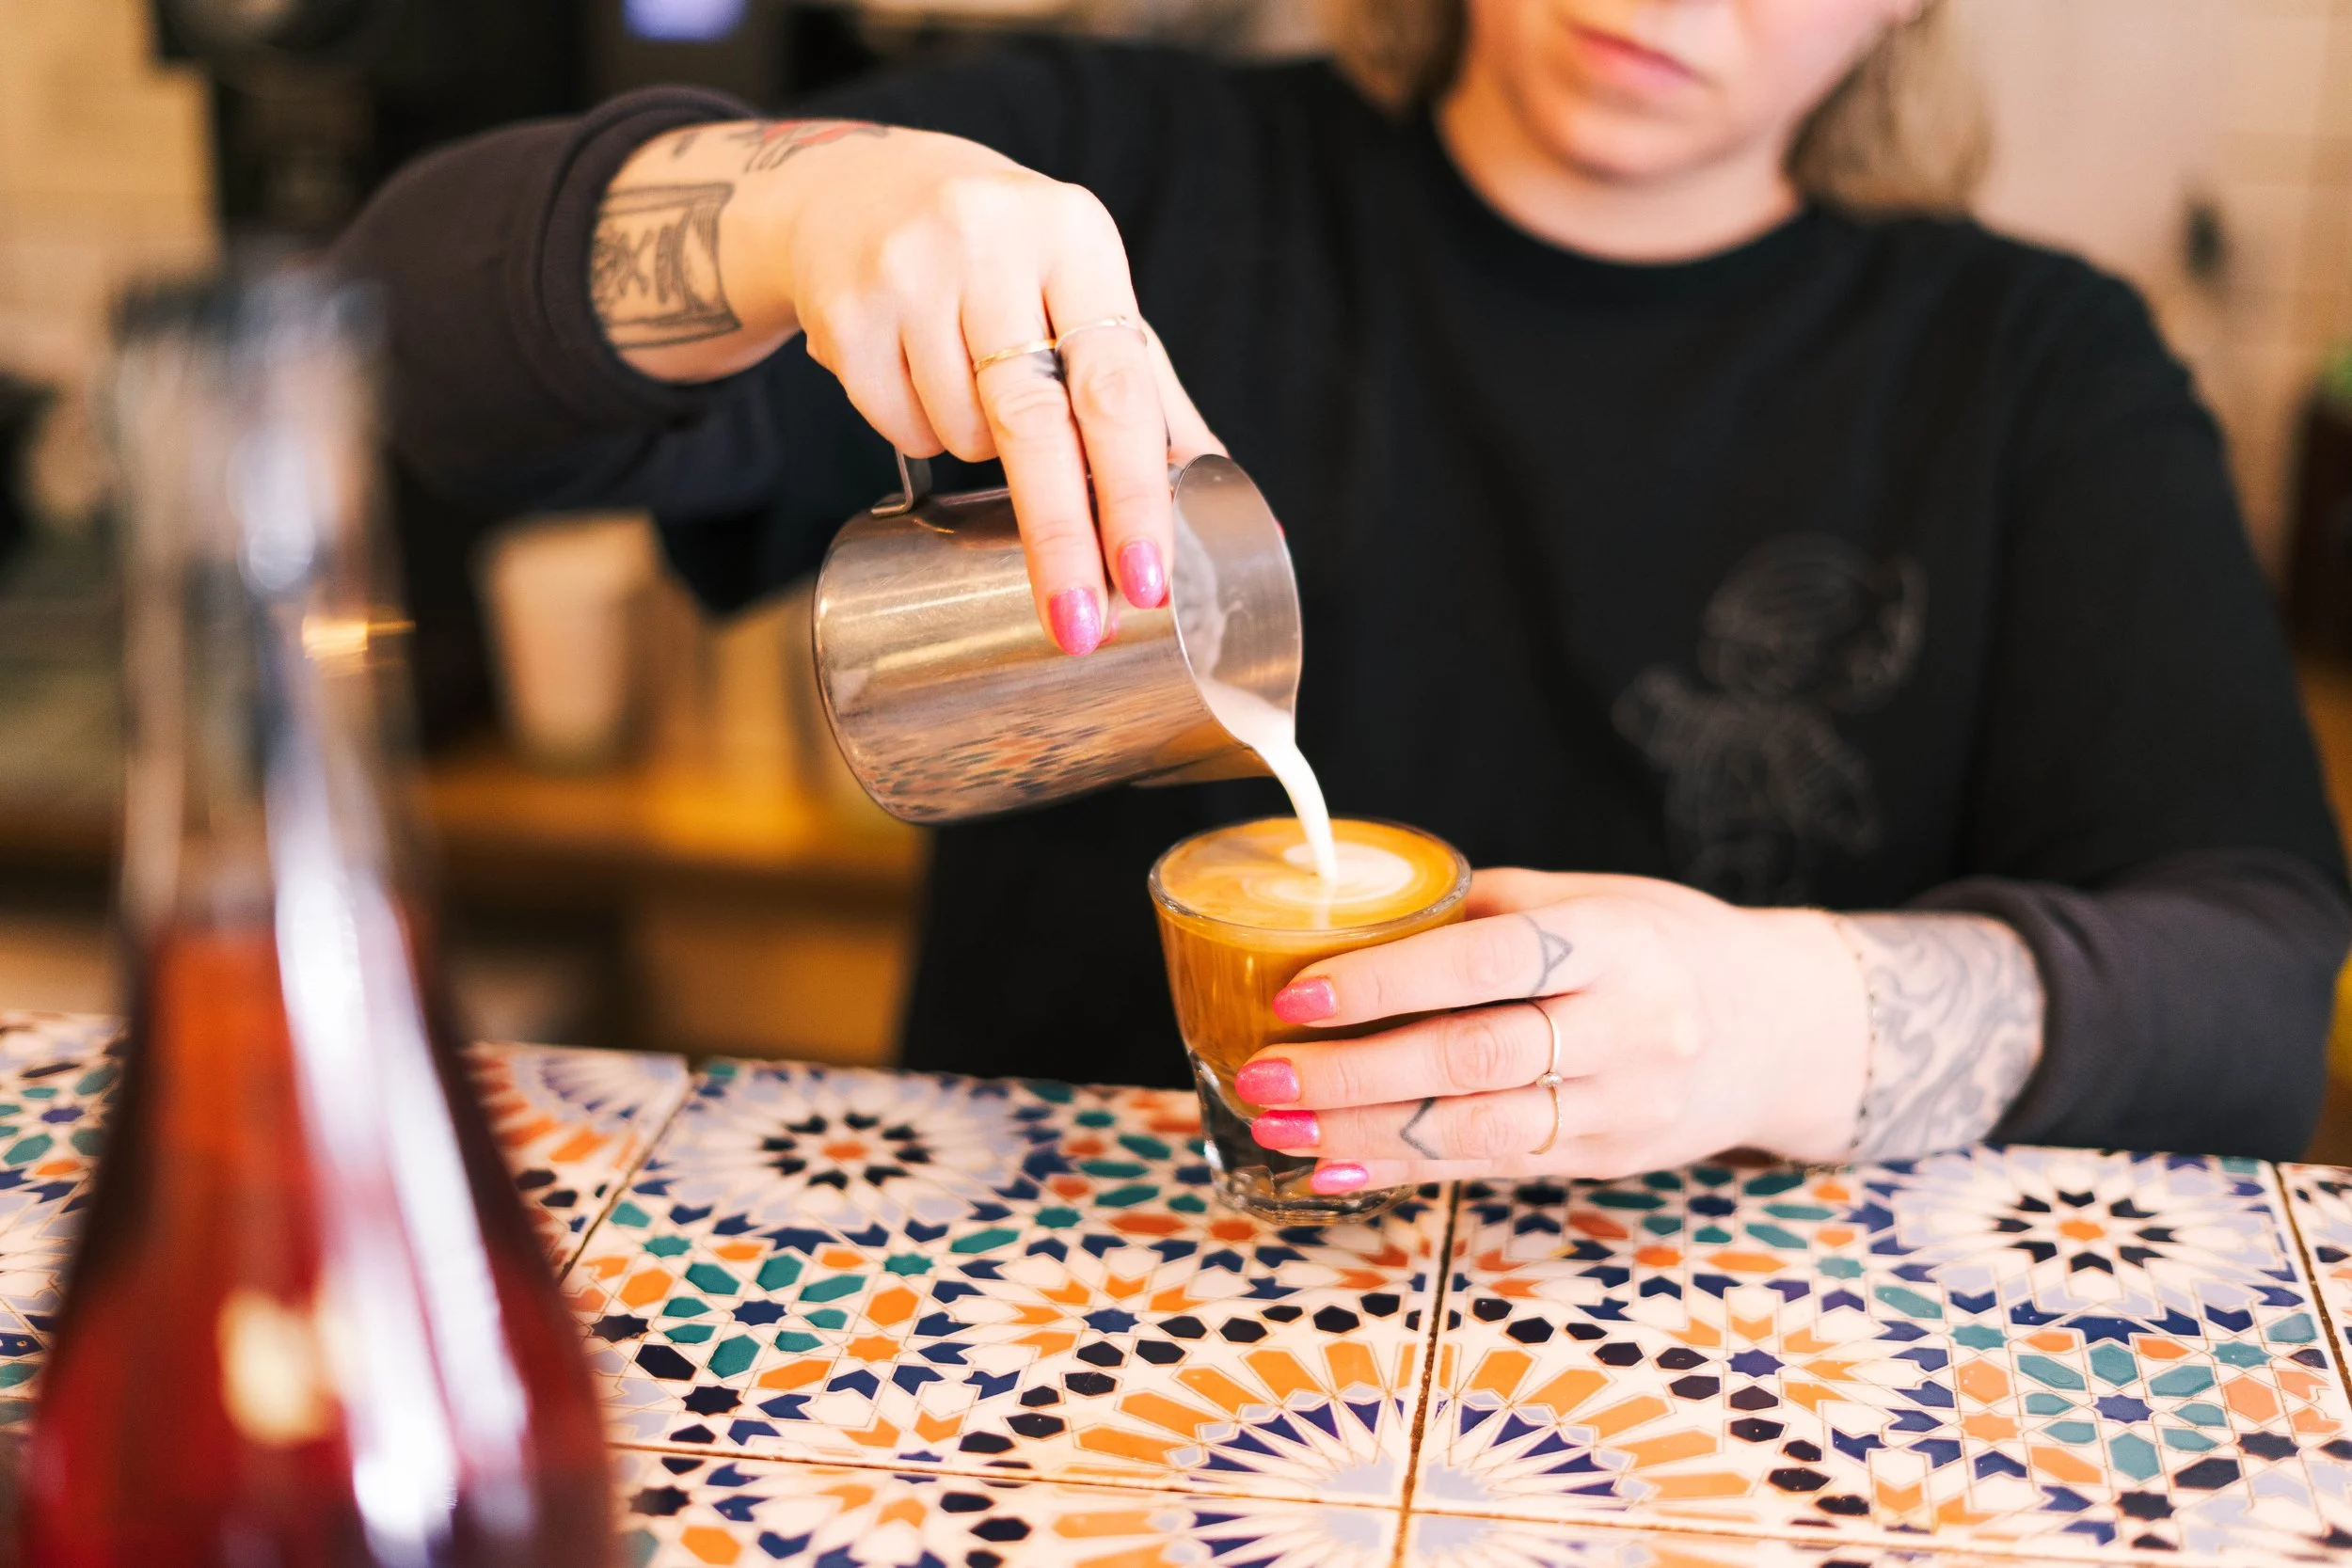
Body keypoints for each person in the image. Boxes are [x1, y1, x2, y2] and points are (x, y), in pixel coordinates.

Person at [335, 0, 2350, 1188]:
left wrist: (1783, 1018)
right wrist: (800, 208)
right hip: (1065, 1313)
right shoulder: (1119, 179)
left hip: (1721, 1377)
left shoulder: (2031, 374)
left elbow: (2256, 986)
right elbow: (404, 338)